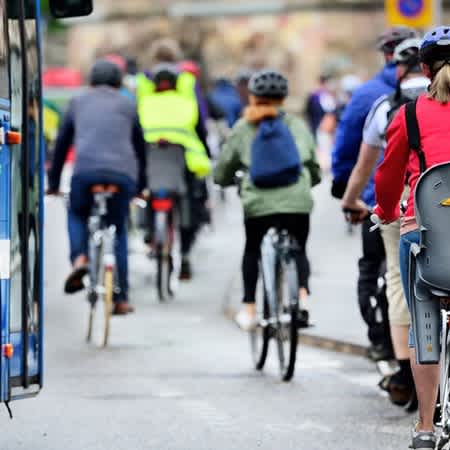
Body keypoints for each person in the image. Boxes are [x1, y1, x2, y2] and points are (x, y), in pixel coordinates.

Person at [374, 26, 450, 449]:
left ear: (424, 68)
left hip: (424, 234)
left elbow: (387, 175)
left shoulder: (410, 115)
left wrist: (385, 211)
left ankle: (425, 427)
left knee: (425, 328)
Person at [342, 38, 428, 408]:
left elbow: (371, 166)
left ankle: (406, 374)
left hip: (408, 203)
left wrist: (353, 201)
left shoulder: (386, 107)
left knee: (398, 278)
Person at [332, 26, 418, 362]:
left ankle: (388, 353)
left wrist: (345, 192)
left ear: (391, 61)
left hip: (383, 199)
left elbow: (351, 147)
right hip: (439, 199)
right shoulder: (439, 98)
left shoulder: (374, 97)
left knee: (383, 272)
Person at [214, 69, 321, 330]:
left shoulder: (242, 128)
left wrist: (224, 180)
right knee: (298, 249)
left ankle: (249, 309)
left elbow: (223, 169)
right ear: (283, 98)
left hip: (259, 204)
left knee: (253, 248)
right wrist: (310, 181)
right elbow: (313, 165)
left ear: (252, 97)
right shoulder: (296, 125)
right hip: (297, 201)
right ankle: (303, 299)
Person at [47, 59, 147, 315]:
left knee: (77, 212)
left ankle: (80, 258)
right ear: (118, 81)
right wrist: (140, 187)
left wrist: (54, 183)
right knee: (118, 228)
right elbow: (140, 148)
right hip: (122, 176)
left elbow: (61, 145)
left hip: (86, 173)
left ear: (91, 80)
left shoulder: (78, 102)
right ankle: (121, 298)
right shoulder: (128, 103)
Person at [136, 63, 211, 280]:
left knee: (146, 192)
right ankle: (185, 254)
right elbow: (200, 131)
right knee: (191, 200)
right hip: (183, 162)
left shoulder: (145, 102)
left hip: (152, 162)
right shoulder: (186, 102)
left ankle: (150, 232)